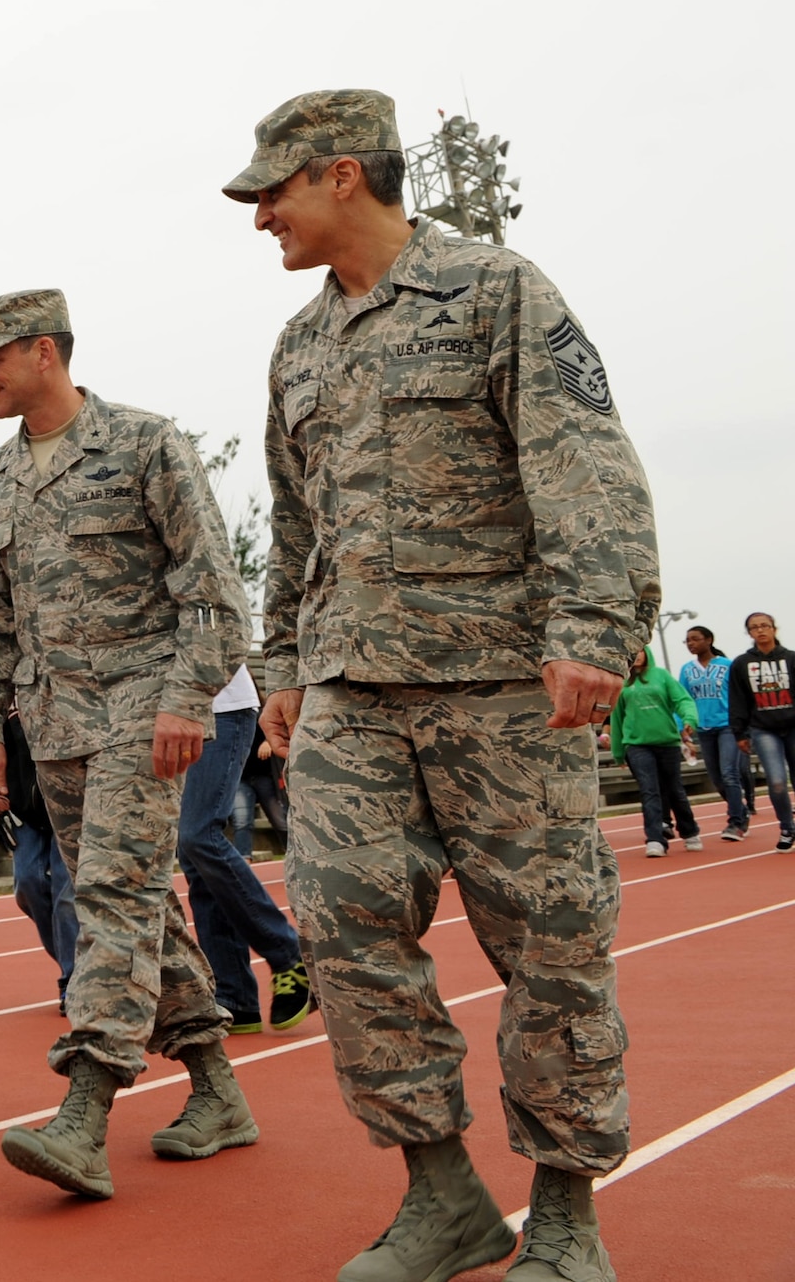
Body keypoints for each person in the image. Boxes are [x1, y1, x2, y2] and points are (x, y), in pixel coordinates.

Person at [227, 89, 659, 1281]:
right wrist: (280, 664)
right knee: (342, 923)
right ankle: (441, 1193)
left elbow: (580, 461)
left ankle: (564, 1215)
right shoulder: (297, 346)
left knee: (549, 945)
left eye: (275, 187)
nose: (258, 212)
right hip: (350, 688)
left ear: (345, 174)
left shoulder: (495, 291)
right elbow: (290, 519)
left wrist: (588, 623)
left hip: (499, 685)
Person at [0, 288, 259, 1202]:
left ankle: (85, 1110)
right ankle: (218, 1090)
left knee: (113, 895)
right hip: (53, 725)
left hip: (144, 709)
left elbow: (211, 588)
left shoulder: (145, 444)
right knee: (138, 905)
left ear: (44, 351)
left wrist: (187, 695)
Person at [173, 666, 310, 1032]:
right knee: (193, 856)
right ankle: (234, 995)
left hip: (220, 708)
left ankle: (288, 953)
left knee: (198, 835)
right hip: (169, 715)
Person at [0, 707, 76, 1009]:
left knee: (65, 894)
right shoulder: (0, 706)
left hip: (68, 809)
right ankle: (71, 959)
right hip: (24, 811)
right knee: (27, 885)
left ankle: (72, 978)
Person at [609, 647, 700, 856]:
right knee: (649, 790)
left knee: (674, 790)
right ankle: (655, 838)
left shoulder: (662, 676)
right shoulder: (621, 681)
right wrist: (618, 752)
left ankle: (689, 831)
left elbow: (682, 700)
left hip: (666, 742)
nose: (637, 655)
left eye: (641, 651)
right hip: (637, 744)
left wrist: (689, 719)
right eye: (633, 652)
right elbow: (617, 718)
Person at [730, 612, 795, 852]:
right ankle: (787, 828)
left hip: (793, 726)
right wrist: (739, 733)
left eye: (765, 626)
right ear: (749, 633)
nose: (760, 630)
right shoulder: (741, 664)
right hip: (763, 729)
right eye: (754, 627)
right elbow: (737, 699)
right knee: (777, 782)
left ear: (774, 629)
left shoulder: (791, 659)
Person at [679, 626, 750, 840]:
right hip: (704, 729)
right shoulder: (686, 670)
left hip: (728, 725)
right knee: (717, 778)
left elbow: (741, 695)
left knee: (729, 773)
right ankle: (741, 811)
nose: (691, 643)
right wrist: (683, 725)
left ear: (708, 640)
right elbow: (683, 699)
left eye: (695, 639)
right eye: (687, 640)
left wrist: (743, 725)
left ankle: (735, 823)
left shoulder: (728, 666)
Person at [231, 724, 289, 851]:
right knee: (241, 822)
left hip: (265, 775)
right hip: (240, 777)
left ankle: (294, 853)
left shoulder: (261, 712)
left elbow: (281, 728)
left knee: (280, 820)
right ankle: (244, 862)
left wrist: (268, 741)